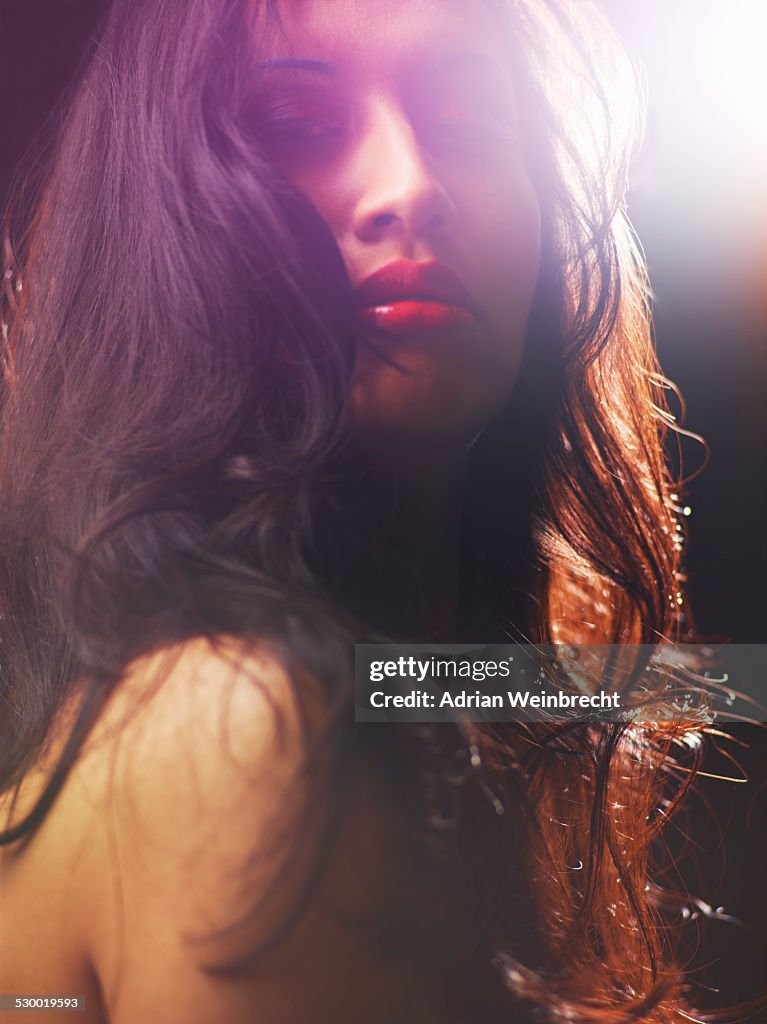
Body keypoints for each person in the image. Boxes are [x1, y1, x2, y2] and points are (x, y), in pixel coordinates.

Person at [0, 0, 705, 1021]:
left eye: (465, 123)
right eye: (294, 125)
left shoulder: (392, 699)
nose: (410, 189)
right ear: (154, 221)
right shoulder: (239, 724)